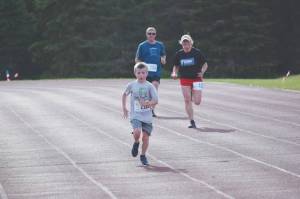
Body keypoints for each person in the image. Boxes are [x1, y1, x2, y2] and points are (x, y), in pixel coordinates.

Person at [122, 62, 158, 166]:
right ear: (135, 73)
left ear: (147, 73)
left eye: (143, 73)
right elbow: (124, 95)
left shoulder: (150, 86)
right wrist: (124, 107)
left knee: (146, 137)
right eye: (139, 73)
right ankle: (136, 142)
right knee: (137, 132)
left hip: (147, 116)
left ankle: (143, 155)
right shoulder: (131, 85)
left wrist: (148, 103)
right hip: (136, 115)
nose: (141, 75)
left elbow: (156, 100)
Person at [171, 34, 208, 128]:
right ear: (181, 44)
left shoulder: (197, 52)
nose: (186, 46)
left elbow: (205, 64)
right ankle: (192, 121)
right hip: (185, 79)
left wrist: (202, 72)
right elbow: (176, 66)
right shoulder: (179, 54)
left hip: (197, 79)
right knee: (187, 100)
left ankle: (192, 93)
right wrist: (174, 73)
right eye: (184, 44)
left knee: (197, 102)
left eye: (187, 43)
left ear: (191, 43)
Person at [135, 27, 166, 117]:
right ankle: (143, 108)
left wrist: (163, 59)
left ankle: (151, 110)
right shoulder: (142, 45)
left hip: (156, 72)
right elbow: (137, 59)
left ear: (155, 35)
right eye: (149, 33)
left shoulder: (160, 45)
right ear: (146, 34)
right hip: (145, 73)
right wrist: (140, 67)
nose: (151, 35)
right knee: (145, 92)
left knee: (154, 89)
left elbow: (163, 55)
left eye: (153, 33)